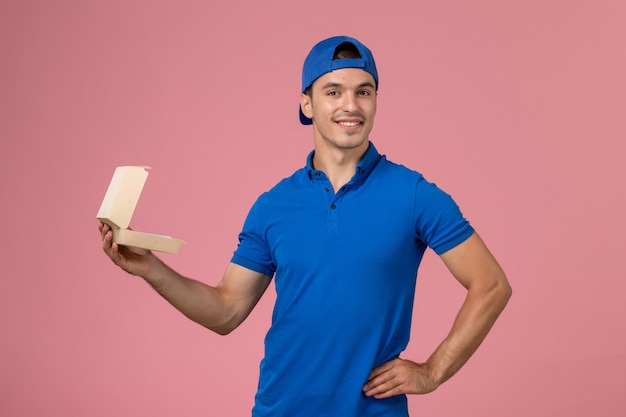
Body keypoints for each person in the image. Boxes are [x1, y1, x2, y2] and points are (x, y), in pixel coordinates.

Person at [99, 35, 511, 417]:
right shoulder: (273, 206)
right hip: (280, 408)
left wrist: (432, 372)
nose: (350, 105)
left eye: (363, 92)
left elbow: (491, 285)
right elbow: (226, 311)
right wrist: (151, 268)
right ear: (307, 104)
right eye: (333, 92)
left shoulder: (414, 195)